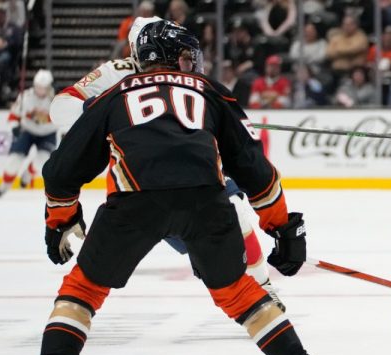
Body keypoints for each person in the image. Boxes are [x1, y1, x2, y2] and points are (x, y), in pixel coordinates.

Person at [0, 20, 334, 355]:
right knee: (237, 293)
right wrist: (281, 225)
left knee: (84, 289)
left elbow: (60, 171)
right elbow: (255, 170)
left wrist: (60, 219)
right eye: (187, 55)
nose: (192, 62)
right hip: (205, 201)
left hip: (134, 202)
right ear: (166, 54)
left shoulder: (113, 93)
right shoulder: (211, 90)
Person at [48, 16, 285, 311]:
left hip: (195, 162)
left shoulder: (179, 69)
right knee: (203, 241)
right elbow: (59, 107)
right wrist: (101, 113)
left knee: (235, 210)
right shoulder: (117, 72)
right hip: (141, 181)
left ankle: (263, 288)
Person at [0, 69, 56, 197]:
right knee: (14, 159)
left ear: (49, 87)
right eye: (38, 87)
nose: (40, 90)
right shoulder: (25, 97)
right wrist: (14, 127)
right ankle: (4, 185)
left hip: (48, 133)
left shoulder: (56, 99)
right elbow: (13, 115)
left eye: (43, 88)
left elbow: (62, 118)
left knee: (43, 161)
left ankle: (28, 174)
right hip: (28, 130)